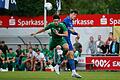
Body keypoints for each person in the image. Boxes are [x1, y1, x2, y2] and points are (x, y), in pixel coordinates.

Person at [63, 10, 82, 78]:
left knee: (71, 54)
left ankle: (73, 72)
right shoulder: (66, 20)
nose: (75, 17)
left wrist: (76, 33)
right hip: (64, 39)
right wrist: (76, 33)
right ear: (71, 14)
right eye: (75, 15)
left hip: (68, 39)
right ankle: (56, 65)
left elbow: (71, 31)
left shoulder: (70, 21)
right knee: (67, 54)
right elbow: (66, 28)